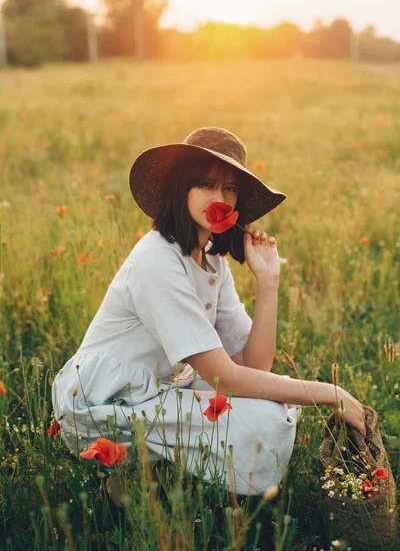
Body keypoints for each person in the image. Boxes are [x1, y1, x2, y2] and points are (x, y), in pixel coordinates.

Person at [52, 126, 366, 508]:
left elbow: (254, 365)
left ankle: (156, 471)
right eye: (206, 184)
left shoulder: (212, 260)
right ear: (181, 189)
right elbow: (227, 379)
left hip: (160, 390)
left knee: (275, 403)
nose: (219, 198)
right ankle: (131, 473)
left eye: (230, 189)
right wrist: (328, 393)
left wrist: (268, 283)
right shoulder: (157, 260)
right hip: (105, 402)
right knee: (265, 417)